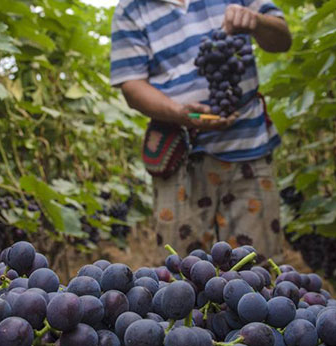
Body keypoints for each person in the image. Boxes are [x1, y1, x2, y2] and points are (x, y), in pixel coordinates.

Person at [110, 0, 292, 260]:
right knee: (181, 277)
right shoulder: (131, 8)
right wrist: (177, 112)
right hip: (181, 156)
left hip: (248, 148)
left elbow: (282, 40)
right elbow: (131, 85)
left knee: (257, 272)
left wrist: (257, 21)